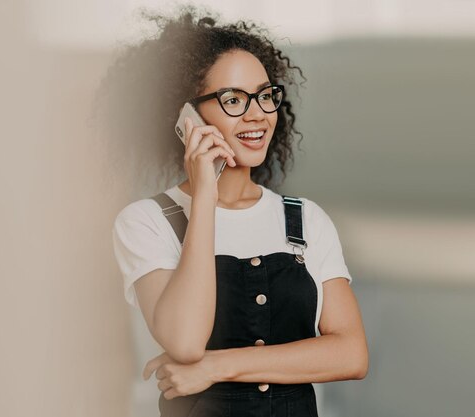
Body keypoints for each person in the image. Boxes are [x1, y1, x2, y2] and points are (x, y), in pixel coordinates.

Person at [105, 5, 368, 417]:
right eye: (232, 99)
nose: (258, 114)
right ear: (184, 116)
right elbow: (186, 342)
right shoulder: (145, 222)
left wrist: (215, 367)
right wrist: (205, 194)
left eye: (265, 95)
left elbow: (351, 354)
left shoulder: (305, 219)